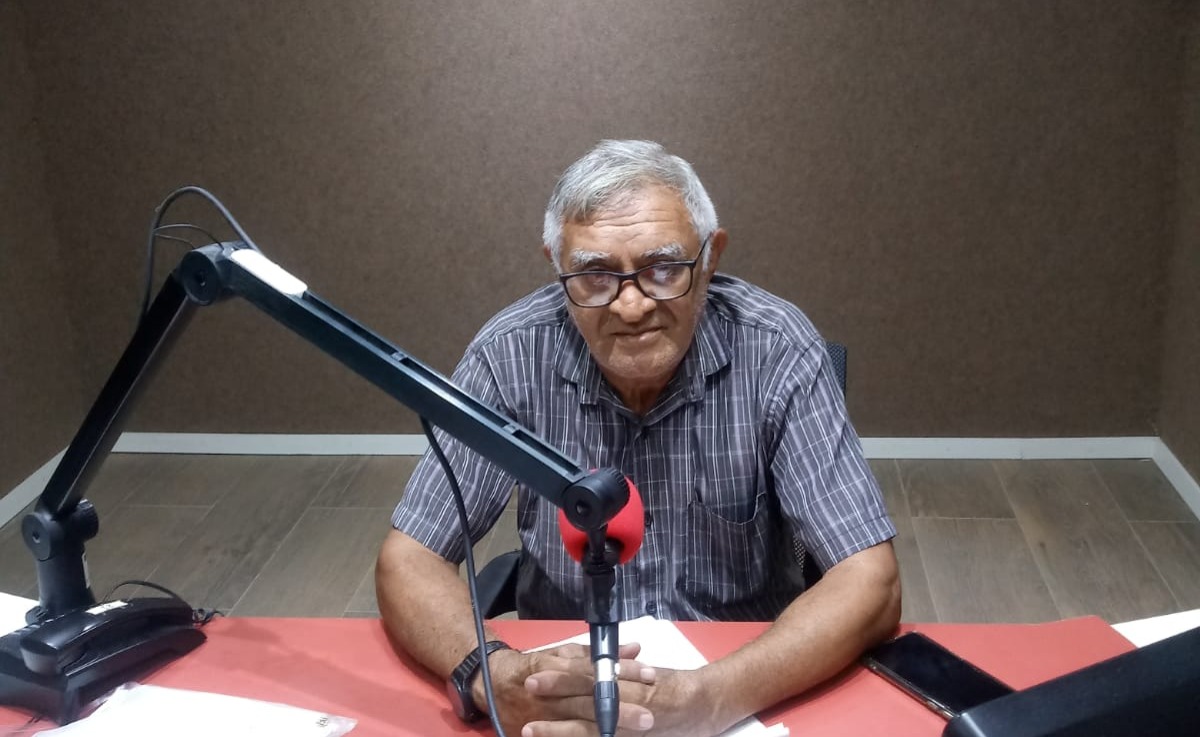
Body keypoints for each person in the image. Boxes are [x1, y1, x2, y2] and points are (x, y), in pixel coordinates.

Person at [376, 140, 900, 737]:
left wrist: (709, 699)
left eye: (663, 268)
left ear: (710, 257)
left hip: (740, 684)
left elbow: (872, 580)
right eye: (594, 276)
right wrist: (491, 675)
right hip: (563, 691)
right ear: (556, 264)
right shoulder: (509, 354)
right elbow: (408, 559)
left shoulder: (777, 348)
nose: (630, 306)